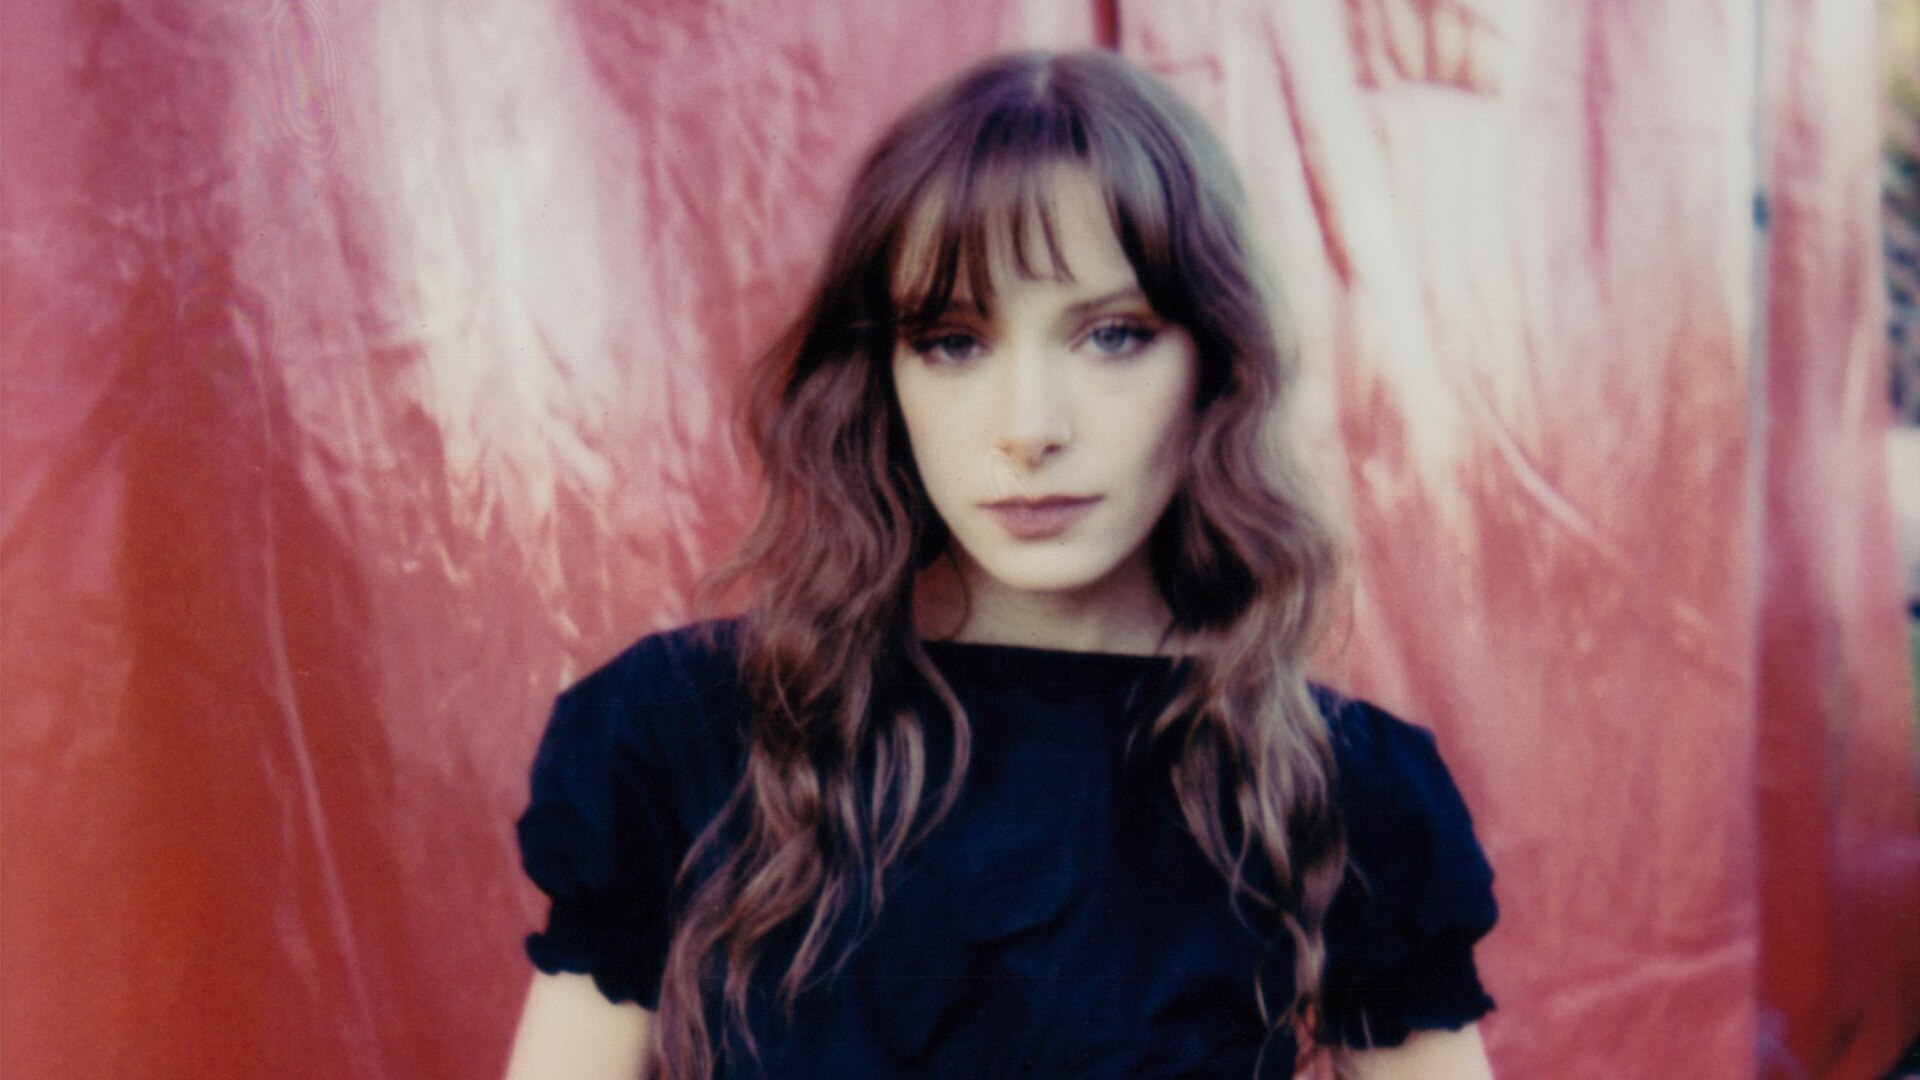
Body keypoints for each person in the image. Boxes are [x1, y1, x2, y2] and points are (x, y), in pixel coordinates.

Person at [503, 49, 1499, 1080]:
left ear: (1216, 363)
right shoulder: (682, 738)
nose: (1028, 428)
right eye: (952, 341)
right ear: (879, 376)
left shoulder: (1339, 792)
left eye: (1113, 336)